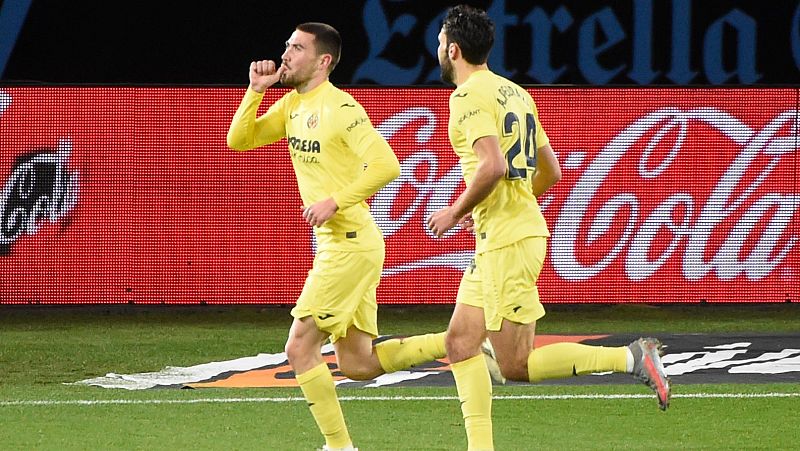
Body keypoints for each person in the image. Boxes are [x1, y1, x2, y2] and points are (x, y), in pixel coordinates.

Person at [426, 5, 671, 450]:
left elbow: (492, 166)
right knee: (460, 342)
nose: (438, 49)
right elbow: (551, 171)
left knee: (515, 364)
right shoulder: (516, 93)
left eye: (441, 43)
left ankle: (631, 357)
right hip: (507, 236)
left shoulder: (465, 97)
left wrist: (455, 212)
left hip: (507, 242)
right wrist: (512, 205)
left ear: (454, 50)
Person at [227, 22, 447, 451]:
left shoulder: (342, 108)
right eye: (287, 45)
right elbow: (240, 140)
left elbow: (387, 165)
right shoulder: (292, 104)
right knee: (358, 363)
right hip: (348, 243)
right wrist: (255, 91)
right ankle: (460, 342)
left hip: (348, 241)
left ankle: (339, 447)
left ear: (323, 61)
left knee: (299, 348)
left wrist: (335, 201)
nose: (285, 54)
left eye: (297, 48)